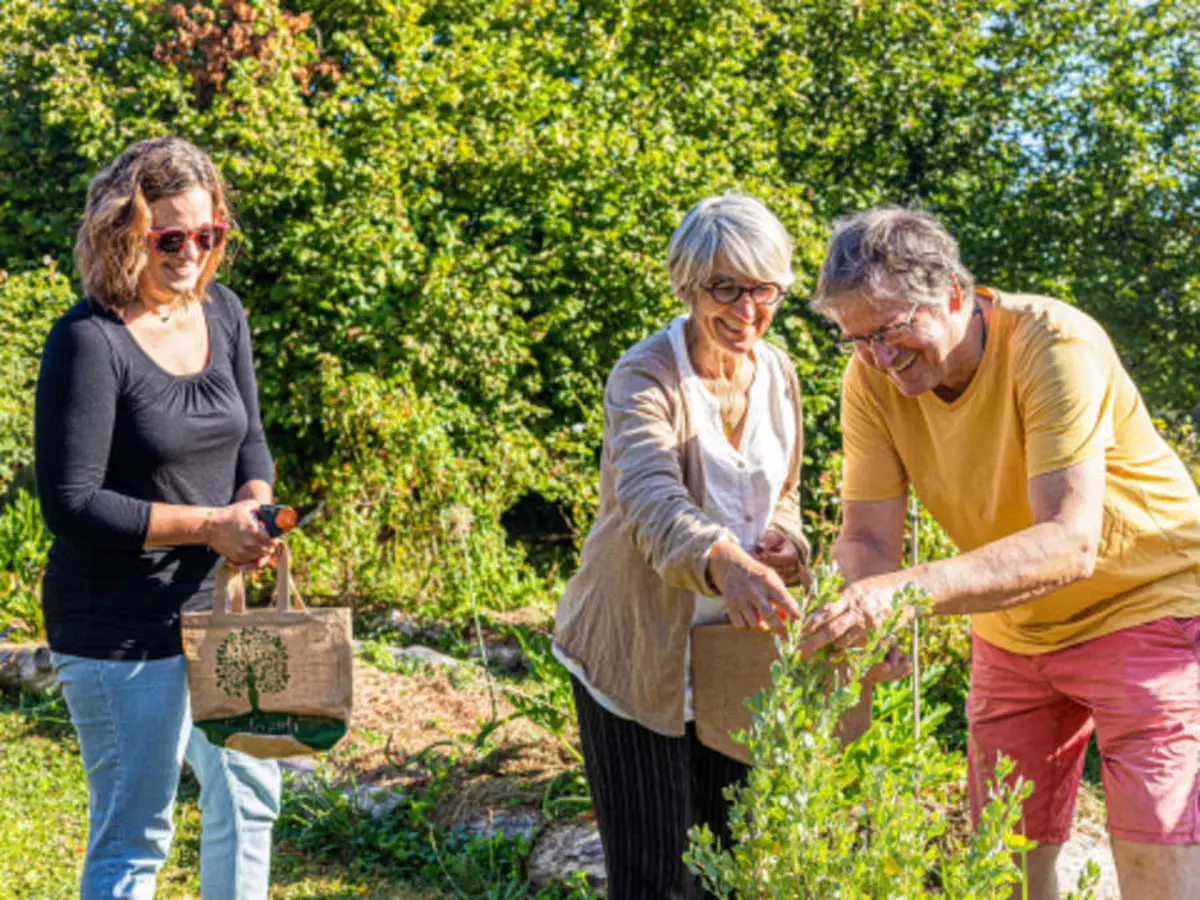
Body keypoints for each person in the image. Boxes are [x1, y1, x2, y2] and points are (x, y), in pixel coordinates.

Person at [801, 207, 1200, 900]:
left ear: (954, 293)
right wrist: (877, 614)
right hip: (1013, 627)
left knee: (1154, 863)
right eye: (855, 340)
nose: (879, 359)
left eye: (893, 331)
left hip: (1147, 608)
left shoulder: (1053, 343)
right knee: (1001, 868)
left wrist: (904, 593)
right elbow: (866, 539)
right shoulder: (869, 381)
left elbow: (1068, 541)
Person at [34, 136, 282, 899]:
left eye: (207, 236)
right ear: (123, 233)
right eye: (169, 237)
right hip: (119, 627)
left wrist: (252, 504)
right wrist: (211, 524)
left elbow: (250, 439)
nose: (189, 253)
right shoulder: (88, 341)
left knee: (248, 801)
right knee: (135, 836)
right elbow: (73, 503)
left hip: (223, 613)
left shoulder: (224, 311)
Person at [553, 194, 812, 898]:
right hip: (640, 653)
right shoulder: (645, 376)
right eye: (723, 288)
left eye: (763, 289)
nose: (746, 309)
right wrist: (724, 560)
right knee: (654, 877)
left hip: (735, 647)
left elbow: (782, 488)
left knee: (728, 868)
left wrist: (787, 540)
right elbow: (649, 500)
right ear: (685, 283)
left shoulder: (780, 374)